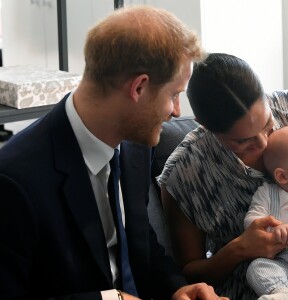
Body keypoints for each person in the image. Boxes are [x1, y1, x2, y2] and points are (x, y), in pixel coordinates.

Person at [0, 5, 229, 300]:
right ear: (139, 88)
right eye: (173, 95)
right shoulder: (14, 181)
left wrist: (177, 289)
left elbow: (139, 241)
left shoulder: (135, 146)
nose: (177, 112)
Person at [158, 53, 288, 300]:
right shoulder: (186, 173)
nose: (263, 142)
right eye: (242, 140)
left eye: (267, 123)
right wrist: (241, 248)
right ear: (204, 125)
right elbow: (189, 275)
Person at [244, 125, 288, 300]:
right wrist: (276, 229)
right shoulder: (268, 193)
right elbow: (252, 221)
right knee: (258, 267)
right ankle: (281, 295)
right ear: (282, 176)